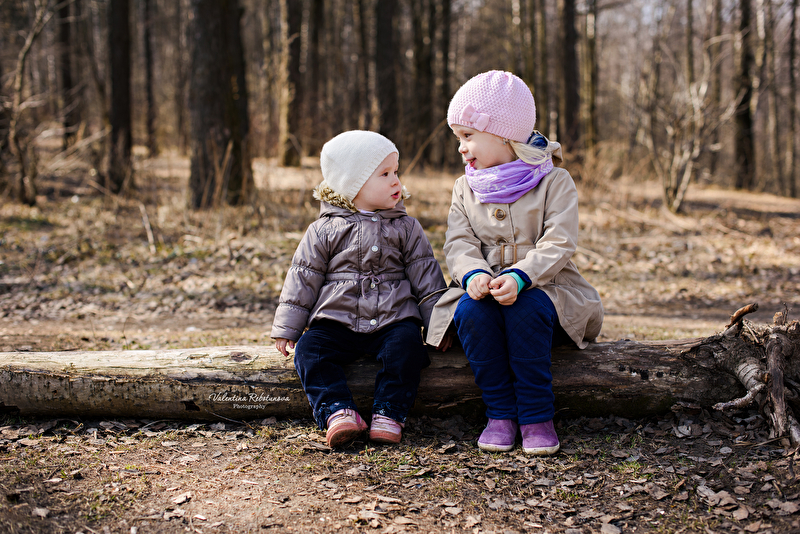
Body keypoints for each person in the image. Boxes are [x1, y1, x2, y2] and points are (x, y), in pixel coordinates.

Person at [426, 71, 604, 455]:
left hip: (547, 291)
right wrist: (473, 273)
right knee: (471, 312)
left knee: (525, 308)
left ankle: (536, 415)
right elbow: (458, 241)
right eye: (458, 138)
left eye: (467, 136)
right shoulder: (464, 188)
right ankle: (500, 413)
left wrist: (523, 275)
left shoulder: (555, 181)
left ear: (503, 135)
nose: (461, 148)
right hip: (487, 290)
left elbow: (559, 241)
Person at [271, 130, 447, 448]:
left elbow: (427, 279)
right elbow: (303, 277)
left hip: (393, 319)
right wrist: (288, 328)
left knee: (408, 348)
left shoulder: (406, 227)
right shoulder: (324, 230)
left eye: (396, 172)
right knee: (310, 351)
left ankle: (389, 412)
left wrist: (439, 328)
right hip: (336, 320)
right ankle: (337, 411)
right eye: (384, 174)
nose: (396, 181)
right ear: (353, 184)